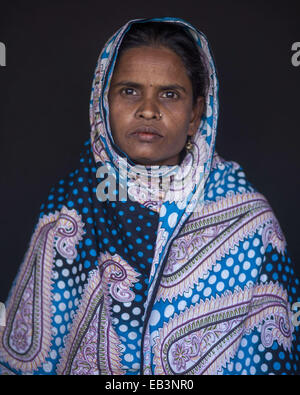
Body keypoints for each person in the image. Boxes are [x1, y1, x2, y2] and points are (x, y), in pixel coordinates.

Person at [0, 17, 299, 376]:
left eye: (170, 94)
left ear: (195, 115)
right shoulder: (74, 203)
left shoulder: (250, 220)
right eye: (129, 90)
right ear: (103, 102)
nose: (148, 108)